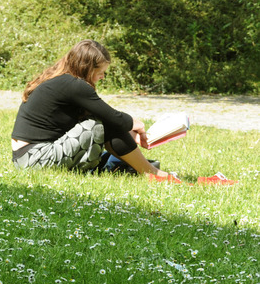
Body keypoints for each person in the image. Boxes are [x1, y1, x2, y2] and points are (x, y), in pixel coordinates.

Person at [11, 40, 184, 181]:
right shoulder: (74, 85)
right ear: (86, 67)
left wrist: (128, 127)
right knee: (99, 124)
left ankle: (140, 168)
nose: (102, 76)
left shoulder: (63, 81)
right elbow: (112, 116)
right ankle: (151, 173)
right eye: (100, 71)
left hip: (29, 156)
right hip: (34, 158)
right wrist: (136, 124)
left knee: (105, 123)